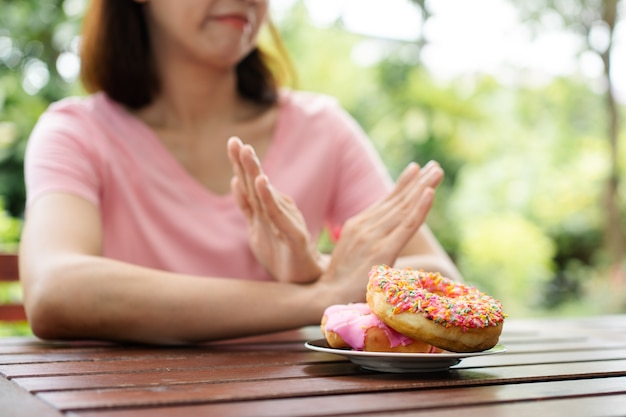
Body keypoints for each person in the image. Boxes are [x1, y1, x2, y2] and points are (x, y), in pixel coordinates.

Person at [19, 0, 462, 345]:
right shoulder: (77, 133)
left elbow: (441, 279)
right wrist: (315, 296)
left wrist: (313, 268)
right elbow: (54, 289)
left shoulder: (323, 127)